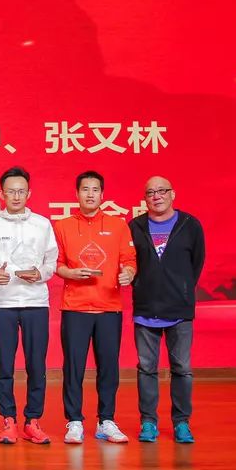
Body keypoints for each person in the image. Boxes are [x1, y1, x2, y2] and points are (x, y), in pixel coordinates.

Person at [0, 166, 58, 445]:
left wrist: (41, 273)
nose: (16, 196)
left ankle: (32, 421)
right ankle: (8, 420)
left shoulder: (42, 224)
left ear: (29, 193)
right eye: (11, 191)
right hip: (3, 304)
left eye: (21, 191)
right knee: (3, 364)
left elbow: (52, 261)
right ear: (1, 194)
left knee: (37, 364)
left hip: (36, 302)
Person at [53, 170, 136, 444]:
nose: (90, 194)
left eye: (95, 189)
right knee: (73, 367)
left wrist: (128, 273)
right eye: (85, 189)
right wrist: (69, 273)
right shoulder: (63, 226)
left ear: (103, 195)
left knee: (109, 367)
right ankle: (74, 421)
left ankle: (106, 420)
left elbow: (129, 259)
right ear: (76, 194)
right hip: (75, 307)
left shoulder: (118, 225)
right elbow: (56, 263)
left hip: (109, 307)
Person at [129, 176, 205, 444]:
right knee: (146, 368)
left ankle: (181, 423)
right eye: (150, 192)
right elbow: (129, 262)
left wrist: (181, 289)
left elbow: (196, 263)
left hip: (179, 310)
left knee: (182, 368)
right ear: (145, 199)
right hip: (146, 307)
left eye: (162, 191)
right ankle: (148, 422)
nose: (156, 196)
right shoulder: (135, 227)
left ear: (173, 194)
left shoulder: (190, 225)